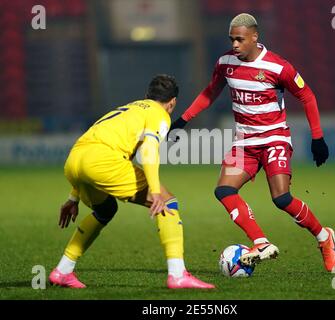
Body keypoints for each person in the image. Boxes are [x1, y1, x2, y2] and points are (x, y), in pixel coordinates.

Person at [169, 14, 335, 272]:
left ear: (254, 37)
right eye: (232, 39)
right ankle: (260, 242)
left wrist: (318, 137)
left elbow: (307, 96)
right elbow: (210, 93)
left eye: (240, 39)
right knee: (224, 190)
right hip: (245, 142)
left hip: (274, 139)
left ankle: (324, 237)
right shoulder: (225, 63)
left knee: (281, 198)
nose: (235, 44)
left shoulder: (278, 67)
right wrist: (183, 120)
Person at [49, 74, 215, 289]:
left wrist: (73, 197)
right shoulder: (160, 115)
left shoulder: (128, 108)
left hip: (74, 160)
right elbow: (149, 150)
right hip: (102, 161)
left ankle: (62, 270)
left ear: (146, 95)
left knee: (105, 210)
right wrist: (155, 191)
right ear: (172, 102)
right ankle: (177, 274)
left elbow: (90, 151)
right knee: (168, 202)